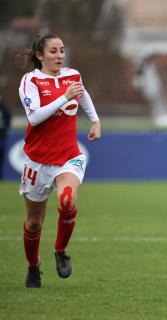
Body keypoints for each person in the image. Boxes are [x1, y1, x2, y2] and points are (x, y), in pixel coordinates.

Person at [18, 32, 101, 288]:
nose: (59, 56)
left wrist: (95, 120)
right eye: (53, 51)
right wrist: (64, 97)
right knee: (34, 222)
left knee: (67, 200)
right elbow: (34, 118)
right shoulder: (30, 81)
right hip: (38, 161)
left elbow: (82, 94)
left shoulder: (72, 75)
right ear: (40, 55)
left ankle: (60, 250)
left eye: (62, 50)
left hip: (68, 156)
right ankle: (33, 267)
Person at [0, 93, 12, 180]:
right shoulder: (4, 108)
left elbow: (9, 116)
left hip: (2, 136)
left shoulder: (4, 108)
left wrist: (6, 127)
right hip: (2, 135)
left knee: (1, 157)